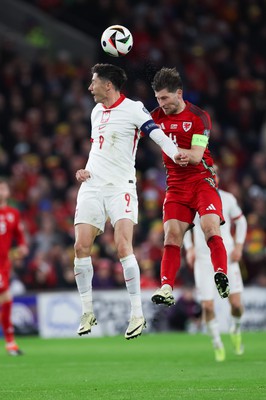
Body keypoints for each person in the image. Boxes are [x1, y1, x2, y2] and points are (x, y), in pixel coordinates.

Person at [73, 63, 188, 340]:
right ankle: (87, 312)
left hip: (120, 187)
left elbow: (156, 133)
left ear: (108, 85)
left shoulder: (134, 108)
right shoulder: (96, 111)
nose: (90, 87)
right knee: (80, 246)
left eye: (93, 82)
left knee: (123, 245)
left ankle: (137, 313)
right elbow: (97, 148)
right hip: (92, 185)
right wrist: (85, 169)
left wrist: (175, 153)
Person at [150, 67, 230, 307]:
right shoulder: (155, 117)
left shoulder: (199, 117)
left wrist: (180, 153)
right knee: (172, 235)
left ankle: (221, 274)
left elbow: (196, 156)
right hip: (175, 187)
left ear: (179, 93)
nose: (161, 103)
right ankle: (166, 288)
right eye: (157, 98)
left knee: (209, 227)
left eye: (165, 97)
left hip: (201, 181)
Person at [183, 165, 247, 361]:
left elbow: (241, 221)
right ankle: (217, 343)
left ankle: (235, 330)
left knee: (236, 304)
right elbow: (185, 226)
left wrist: (238, 246)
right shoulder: (192, 200)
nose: (212, 177)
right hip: (203, 260)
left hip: (226, 256)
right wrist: (190, 248)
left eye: (214, 174)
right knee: (208, 306)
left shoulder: (227, 199)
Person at [0, 178, 29, 356]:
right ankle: (10, 342)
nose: (2, 190)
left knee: (6, 298)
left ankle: (10, 342)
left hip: (4, 263)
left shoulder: (13, 213)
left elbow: (20, 237)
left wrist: (22, 247)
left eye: (3, 187)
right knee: (5, 297)